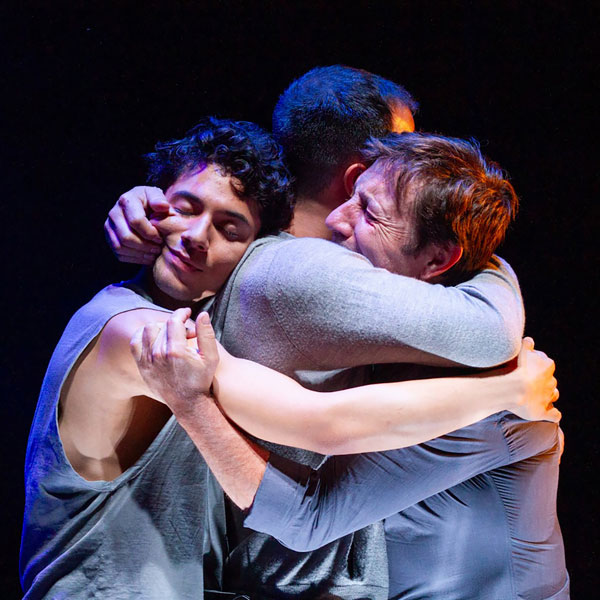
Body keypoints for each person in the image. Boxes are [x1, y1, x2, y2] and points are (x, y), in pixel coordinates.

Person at [21, 117, 557, 600]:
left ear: (252, 248)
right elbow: (319, 425)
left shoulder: (211, 314)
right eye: (182, 208)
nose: (195, 237)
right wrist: (507, 390)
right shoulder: (138, 335)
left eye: (230, 228)